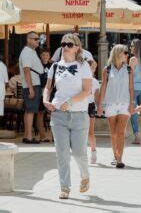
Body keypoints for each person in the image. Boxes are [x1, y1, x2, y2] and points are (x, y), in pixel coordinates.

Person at [42, 33, 93, 199]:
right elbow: (48, 87)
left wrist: (70, 102)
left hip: (79, 115)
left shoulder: (83, 66)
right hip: (58, 115)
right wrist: (45, 100)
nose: (65, 47)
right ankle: (65, 187)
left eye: (69, 45)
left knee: (78, 153)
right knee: (62, 153)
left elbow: (87, 90)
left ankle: (85, 176)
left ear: (77, 47)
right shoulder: (55, 66)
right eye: (63, 44)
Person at [97, 44, 135, 169]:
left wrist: (132, 103)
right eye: (125, 52)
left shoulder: (129, 69)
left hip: (125, 103)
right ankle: (115, 155)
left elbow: (131, 87)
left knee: (120, 132)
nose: (127, 54)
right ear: (118, 53)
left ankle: (120, 159)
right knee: (113, 133)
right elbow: (103, 87)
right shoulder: (107, 69)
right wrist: (100, 105)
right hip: (110, 103)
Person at [19, 31, 44, 144]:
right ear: (28, 40)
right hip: (32, 84)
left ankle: (26, 135)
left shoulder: (31, 51)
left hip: (33, 84)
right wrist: (30, 87)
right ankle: (29, 136)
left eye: (38, 39)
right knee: (31, 111)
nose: (38, 40)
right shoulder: (27, 52)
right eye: (35, 39)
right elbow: (26, 70)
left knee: (29, 111)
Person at [37, 48, 52, 142]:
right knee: (40, 114)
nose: (45, 57)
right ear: (40, 56)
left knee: (53, 114)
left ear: (49, 56)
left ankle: (55, 137)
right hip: (40, 92)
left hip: (51, 92)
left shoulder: (52, 66)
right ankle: (42, 136)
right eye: (43, 55)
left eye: (47, 55)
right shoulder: (37, 66)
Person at [87, 60, 100, 164]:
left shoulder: (95, 82)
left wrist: (99, 107)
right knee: (79, 131)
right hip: (80, 106)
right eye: (91, 67)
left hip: (90, 105)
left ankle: (93, 151)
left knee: (90, 132)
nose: (92, 69)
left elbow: (97, 96)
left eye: (94, 67)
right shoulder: (79, 79)